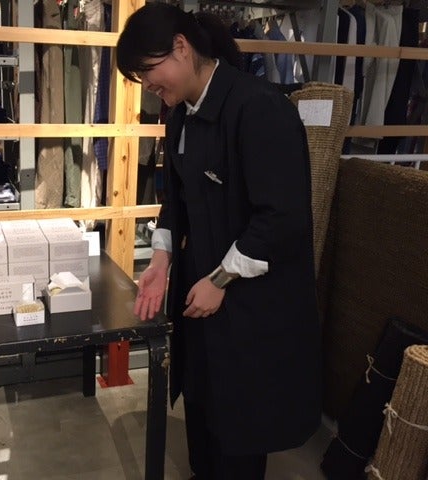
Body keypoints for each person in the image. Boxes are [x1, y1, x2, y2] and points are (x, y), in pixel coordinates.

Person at [117, 3, 321, 479]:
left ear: (181, 48)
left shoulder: (258, 107)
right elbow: (177, 201)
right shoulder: (181, 117)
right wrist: (161, 261)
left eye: (149, 72)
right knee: (202, 402)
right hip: (201, 291)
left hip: (249, 298)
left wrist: (220, 279)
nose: (148, 87)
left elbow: (281, 217)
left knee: (240, 422)